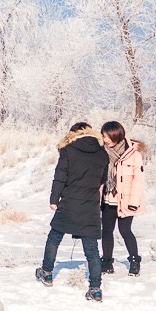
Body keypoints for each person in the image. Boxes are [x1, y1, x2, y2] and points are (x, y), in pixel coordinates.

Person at [38, 122, 109, 301]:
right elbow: (102, 179)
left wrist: (54, 200)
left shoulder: (68, 150)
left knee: (54, 237)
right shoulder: (102, 153)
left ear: (73, 134)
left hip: (69, 202)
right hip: (90, 205)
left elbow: (60, 177)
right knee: (91, 249)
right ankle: (95, 289)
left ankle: (46, 272)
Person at [98, 122, 145, 277]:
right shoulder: (101, 152)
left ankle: (134, 261)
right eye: (103, 136)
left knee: (125, 230)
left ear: (116, 134)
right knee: (106, 231)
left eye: (107, 136)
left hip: (125, 200)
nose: (105, 139)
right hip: (107, 198)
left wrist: (133, 202)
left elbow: (138, 180)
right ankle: (106, 262)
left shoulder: (133, 154)